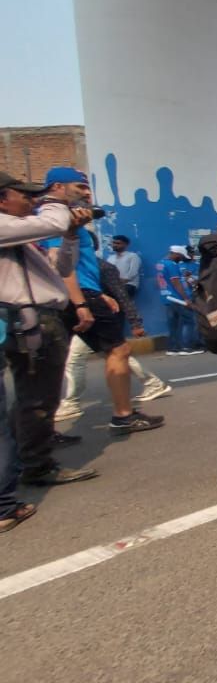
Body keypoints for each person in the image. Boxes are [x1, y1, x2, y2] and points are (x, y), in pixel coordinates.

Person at [43, 168, 163, 435]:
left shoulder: (67, 218)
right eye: (79, 187)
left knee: (62, 359)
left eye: (87, 188)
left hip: (85, 293)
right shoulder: (57, 217)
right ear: (57, 187)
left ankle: (44, 430)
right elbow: (62, 266)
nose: (86, 193)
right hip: (79, 296)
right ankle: (123, 415)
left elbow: (81, 265)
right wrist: (82, 303)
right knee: (118, 350)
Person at [0, 171, 97, 489]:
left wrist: (70, 236)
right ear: (3, 198)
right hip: (29, 322)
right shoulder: (6, 227)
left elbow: (62, 269)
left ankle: (24, 458)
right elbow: (52, 221)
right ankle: (36, 465)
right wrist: (57, 201)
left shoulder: (20, 236)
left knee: (36, 397)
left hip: (42, 319)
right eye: (23, 194)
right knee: (37, 399)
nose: (31, 200)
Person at [56, 256, 171, 421]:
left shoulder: (103, 267)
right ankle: (152, 383)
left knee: (85, 357)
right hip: (84, 315)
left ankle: (71, 403)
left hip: (97, 318)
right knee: (116, 354)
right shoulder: (78, 267)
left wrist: (135, 322)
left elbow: (122, 295)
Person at [159, 245, 199, 355]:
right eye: (181, 256)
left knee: (173, 323)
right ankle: (185, 347)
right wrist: (186, 298)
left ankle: (172, 348)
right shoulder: (172, 265)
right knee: (188, 320)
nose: (181, 259)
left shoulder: (160, 263)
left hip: (166, 296)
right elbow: (176, 283)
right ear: (176, 254)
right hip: (177, 297)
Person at [106, 235, 141, 299]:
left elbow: (133, 272)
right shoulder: (110, 258)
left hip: (129, 284)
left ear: (126, 245)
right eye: (113, 243)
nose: (115, 245)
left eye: (118, 243)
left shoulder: (132, 256)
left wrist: (120, 282)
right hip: (114, 285)